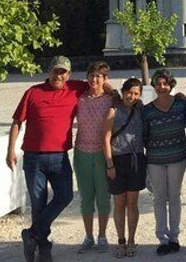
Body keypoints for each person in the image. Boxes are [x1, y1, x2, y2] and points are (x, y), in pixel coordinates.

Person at [7, 56, 88, 262]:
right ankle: (43, 248)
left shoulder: (75, 89)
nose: (59, 75)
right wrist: (11, 151)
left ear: (69, 75)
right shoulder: (33, 92)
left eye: (63, 72)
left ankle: (31, 234)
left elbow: (99, 82)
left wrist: (113, 92)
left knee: (65, 196)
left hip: (60, 157)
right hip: (34, 158)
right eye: (56, 71)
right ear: (49, 71)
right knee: (38, 204)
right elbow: (17, 122)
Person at [143, 69, 186, 256]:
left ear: (171, 84)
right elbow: (144, 135)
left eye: (165, 83)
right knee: (159, 198)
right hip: (155, 159)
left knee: (175, 196)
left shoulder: (182, 104)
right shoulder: (147, 110)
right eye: (158, 83)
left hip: (177, 156)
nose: (161, 87)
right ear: (154, 86)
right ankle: (162, 237)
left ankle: (174, 237)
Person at [104, 77, 146, 258]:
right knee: (119, 204)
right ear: (123, 92)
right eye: (129, 92)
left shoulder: (141, 110)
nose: (132, 96)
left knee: (133, 203)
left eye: (136, 93)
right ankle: (120, 240)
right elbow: (105, 139)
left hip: (136, 160)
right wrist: (109, 164)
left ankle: (131, 239)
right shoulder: (113, 111)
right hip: (117, 160)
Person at [74, 61, 113, 254]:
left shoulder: (110, 100)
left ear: (105, 79)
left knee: (103, 197)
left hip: (101, 153)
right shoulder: (79, 99)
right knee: (86, 197)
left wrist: (111, 90)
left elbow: (125, 99)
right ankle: (88, 236)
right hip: (81, 152)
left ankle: (103, 235)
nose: (94, 79)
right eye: (91, 75)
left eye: (98, 76)